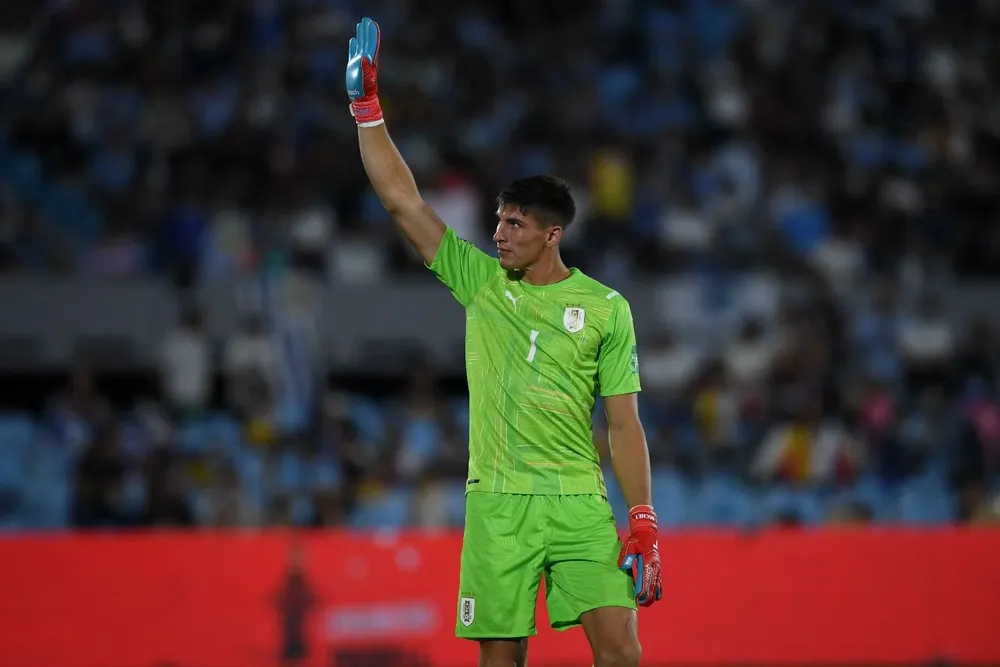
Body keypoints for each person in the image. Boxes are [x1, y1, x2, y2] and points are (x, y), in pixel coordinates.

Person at [345, 18, 662, 667]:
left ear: (552, 235)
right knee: (500, 661)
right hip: (498, 501)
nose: (497, 232)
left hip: (579, 502)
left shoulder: (606, 308)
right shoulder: (481, 283)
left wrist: (644, 521)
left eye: (514, 223)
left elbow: (624, 424)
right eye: (497, 219)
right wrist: (368, 111)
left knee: (623, 651)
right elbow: (404, 203)